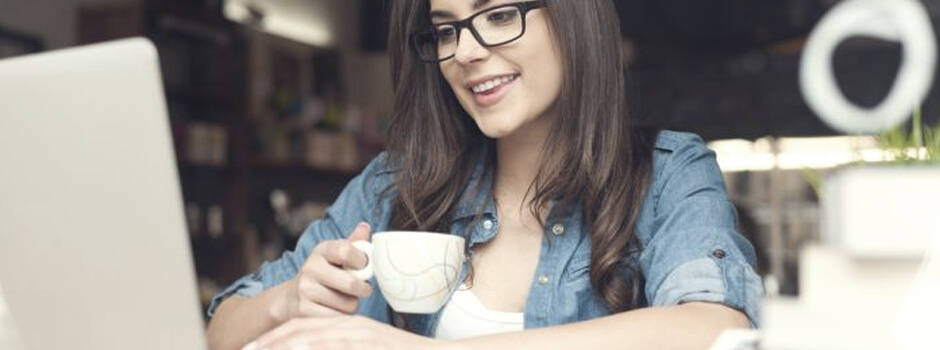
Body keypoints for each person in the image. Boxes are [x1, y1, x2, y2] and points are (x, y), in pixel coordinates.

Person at [206, 1, 765, 349]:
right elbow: (220, 330)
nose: (465, 53)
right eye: (445, 30)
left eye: (499, 15)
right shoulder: (395, 184)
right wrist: (290, 301)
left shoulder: (666, 174)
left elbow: (715, 329)